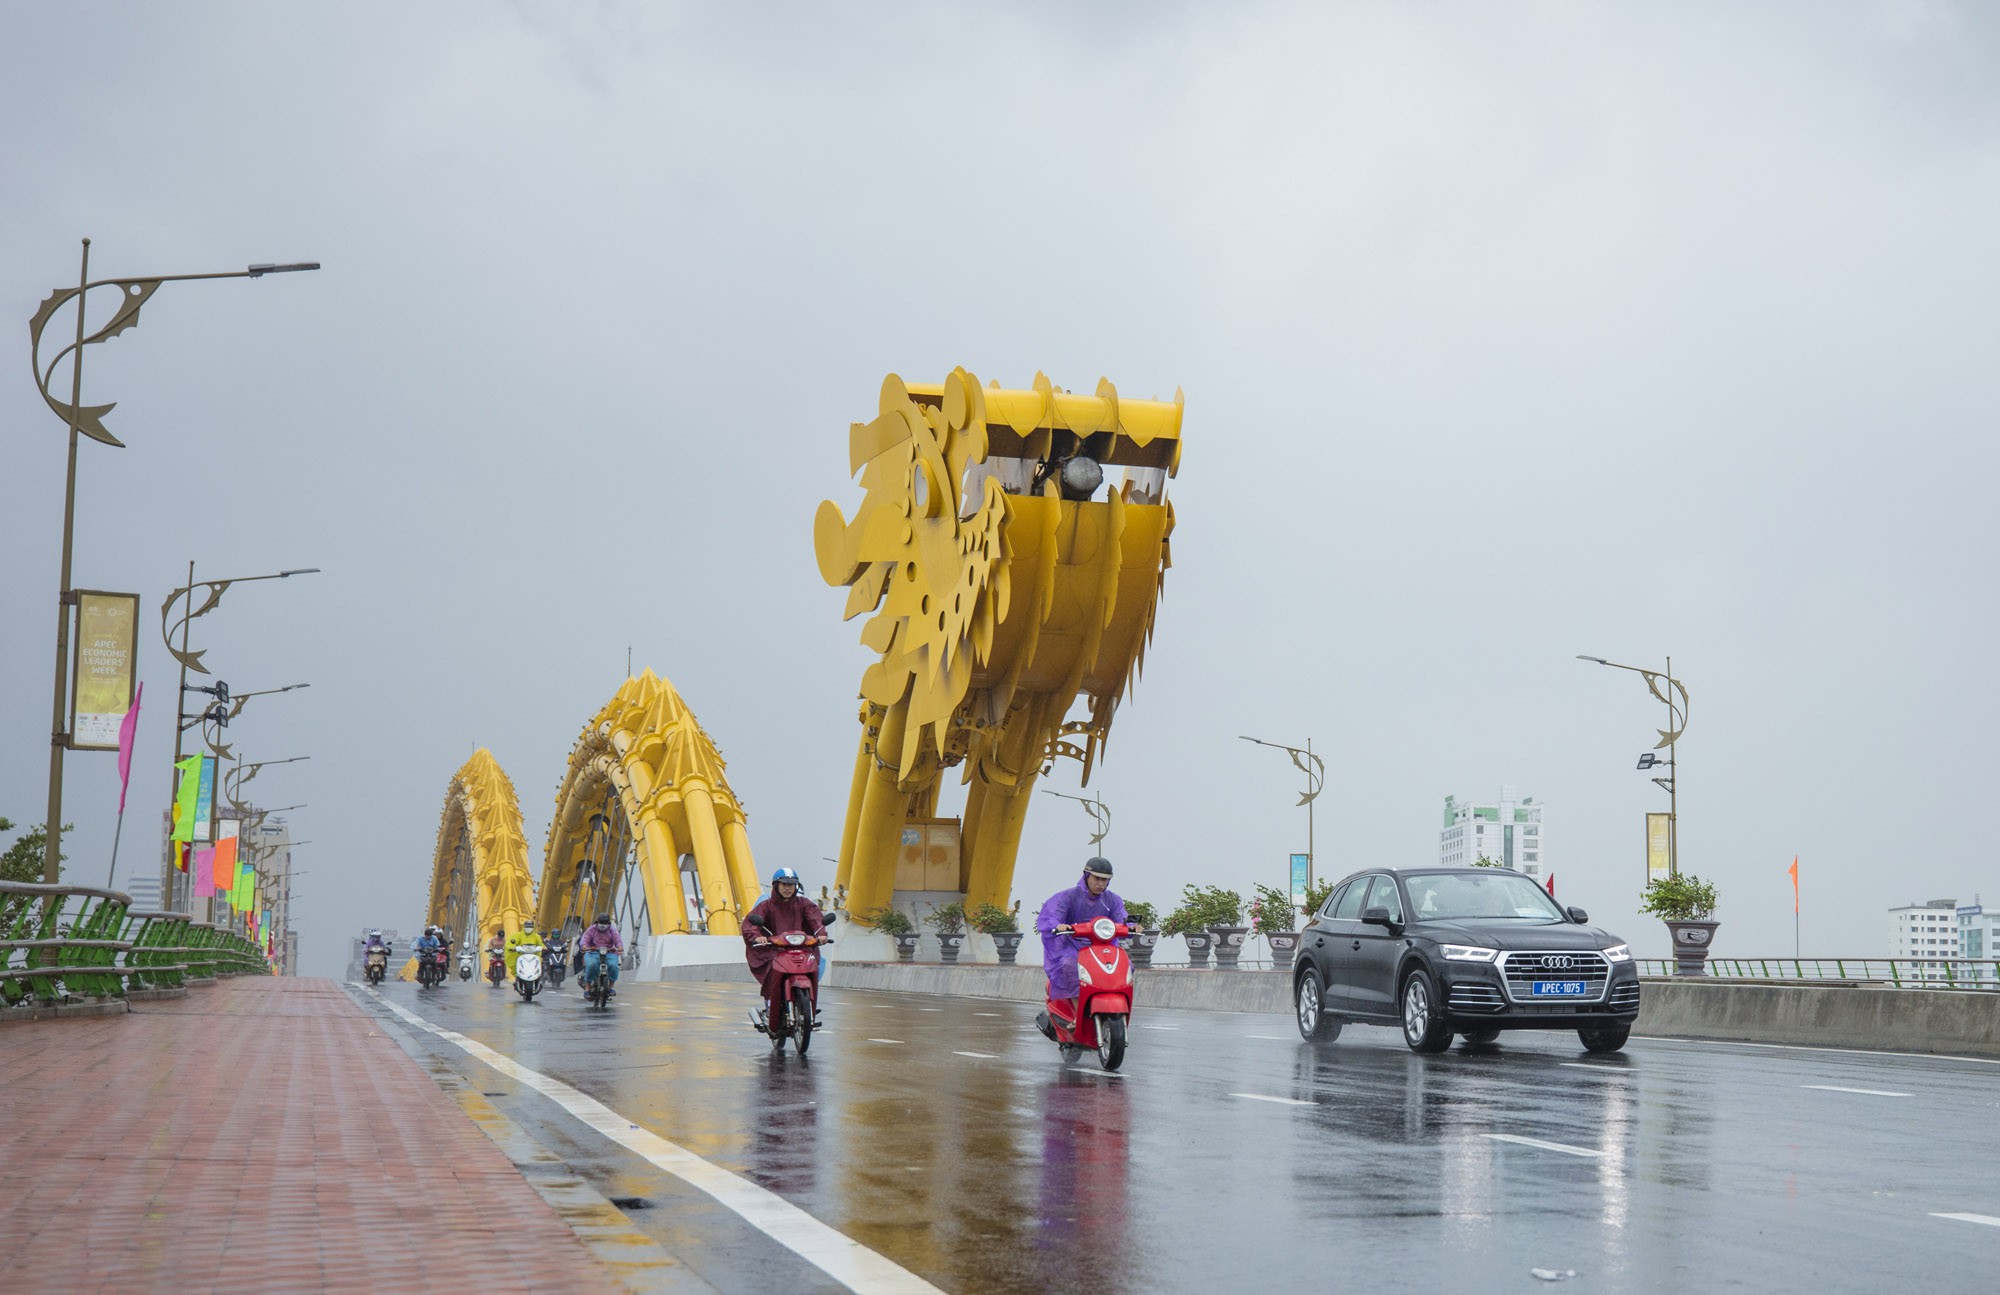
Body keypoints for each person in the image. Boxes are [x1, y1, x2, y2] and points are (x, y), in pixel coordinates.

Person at [1035, 857, 1128, 1040]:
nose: (1101, 884)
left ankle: (1113, 1007)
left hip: (1101, 947)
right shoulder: (1069, 896)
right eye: (1097, 878)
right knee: (1069, 965)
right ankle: (1079, 1014)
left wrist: (1131, 926)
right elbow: (1052, 916)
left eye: (1105, 880)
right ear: (1086, 876)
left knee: (1127, 966)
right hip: (1073, 946)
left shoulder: (1112, 899)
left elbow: (1122, 919)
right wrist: (1058, 925)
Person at [742, 867, 826, 1030]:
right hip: (774, 950)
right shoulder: (766, 906)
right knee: (770, 972)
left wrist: (821, 934)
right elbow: (751, 924)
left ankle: (809, 1006)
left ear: (796, 887)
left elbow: (816, 919)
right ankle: (769, 1002)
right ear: (776, 886)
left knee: (812, 964)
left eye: (791, 885)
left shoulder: (804, 904)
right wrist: (757, 936)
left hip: (801, 947)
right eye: (784, 884)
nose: (788, 888)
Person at [578, 914, 624, 996]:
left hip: (609, 952)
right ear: (597, 922)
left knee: (614, 966)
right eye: (601, 923)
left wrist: (619, 947)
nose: (602, 925)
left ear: (608, 923)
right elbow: (585, 939)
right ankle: (587, 988)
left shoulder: (612, 930)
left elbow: (618, 940)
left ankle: (610, 987)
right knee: (591, 965)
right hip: (593, 952)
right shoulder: (592, 929)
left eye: (605, 923)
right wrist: (584, 946)